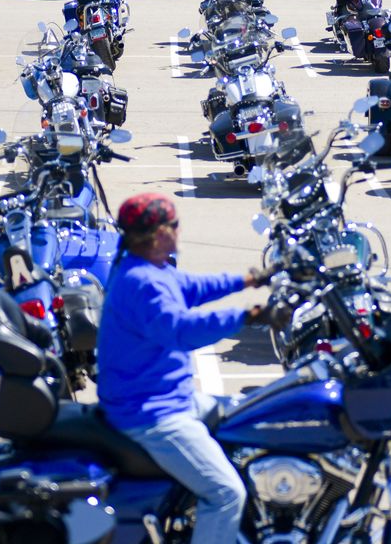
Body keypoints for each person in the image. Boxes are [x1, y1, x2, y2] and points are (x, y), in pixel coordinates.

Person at [98, 192, 270, 544]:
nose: (180, 231)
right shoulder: (143, 284)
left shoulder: (147, 268)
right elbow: (182, 331)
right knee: (226, 494)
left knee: (251, 417)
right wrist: (248, 316)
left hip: (168, 397)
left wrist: (248, 280)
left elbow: (191, 287)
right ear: (159, 233)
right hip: (152, 414)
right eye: (175, 224)